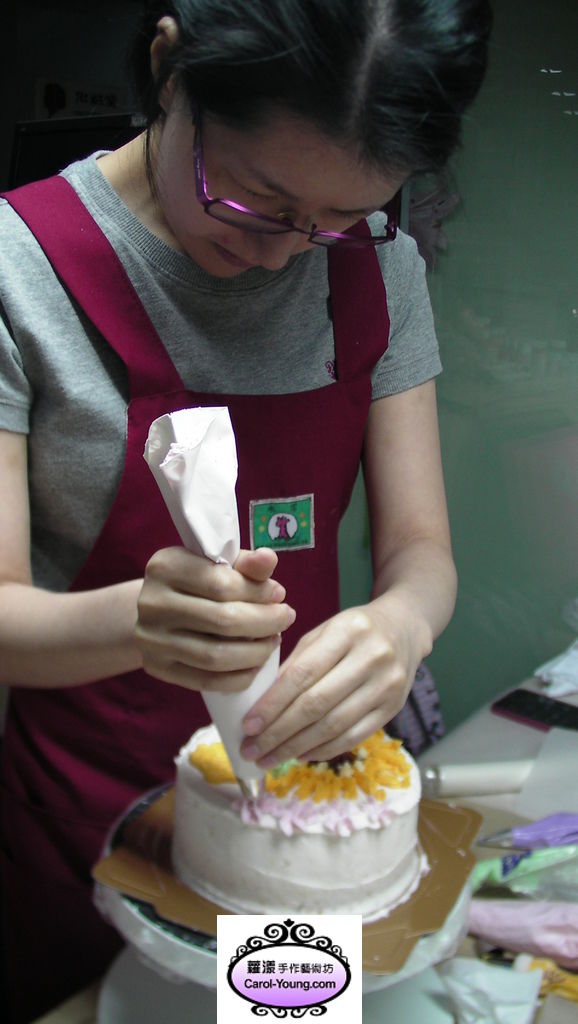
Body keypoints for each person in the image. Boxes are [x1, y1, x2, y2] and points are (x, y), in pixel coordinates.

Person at [0, 0, 492, 1018]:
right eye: (256, 200)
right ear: (170, 68)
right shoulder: (20, 271)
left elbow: (419, 549)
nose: (283, 255)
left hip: (307, 816)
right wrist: (139, 619)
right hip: (87, 826)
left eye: (337, 219)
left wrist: (402, 622)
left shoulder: (379, 270)